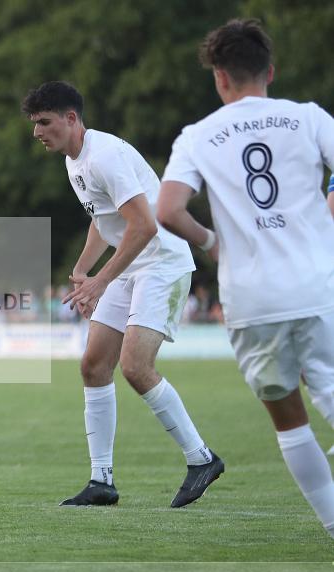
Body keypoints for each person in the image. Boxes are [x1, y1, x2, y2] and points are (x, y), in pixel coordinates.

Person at [157, 19, 334, 537]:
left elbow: (168, 210)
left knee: (290, 421)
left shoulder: (199, 135)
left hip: (252, 296)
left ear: (220, 78)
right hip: (319, 283)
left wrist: (212, 242)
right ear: (270, 72)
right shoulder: (307, 118)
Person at [21, 81, 224, 507]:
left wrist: (101, 280)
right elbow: (104, 220)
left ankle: (201, 458)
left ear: (71, 118)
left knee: (134, 366)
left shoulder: (105, 156)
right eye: (35, 124)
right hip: (131, 265)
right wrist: (82, 270)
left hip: (162, 264)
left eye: (44, 122)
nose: (37, 132)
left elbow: (146, 225)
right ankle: (101, 481)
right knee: (94, 365)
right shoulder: (74, 160)